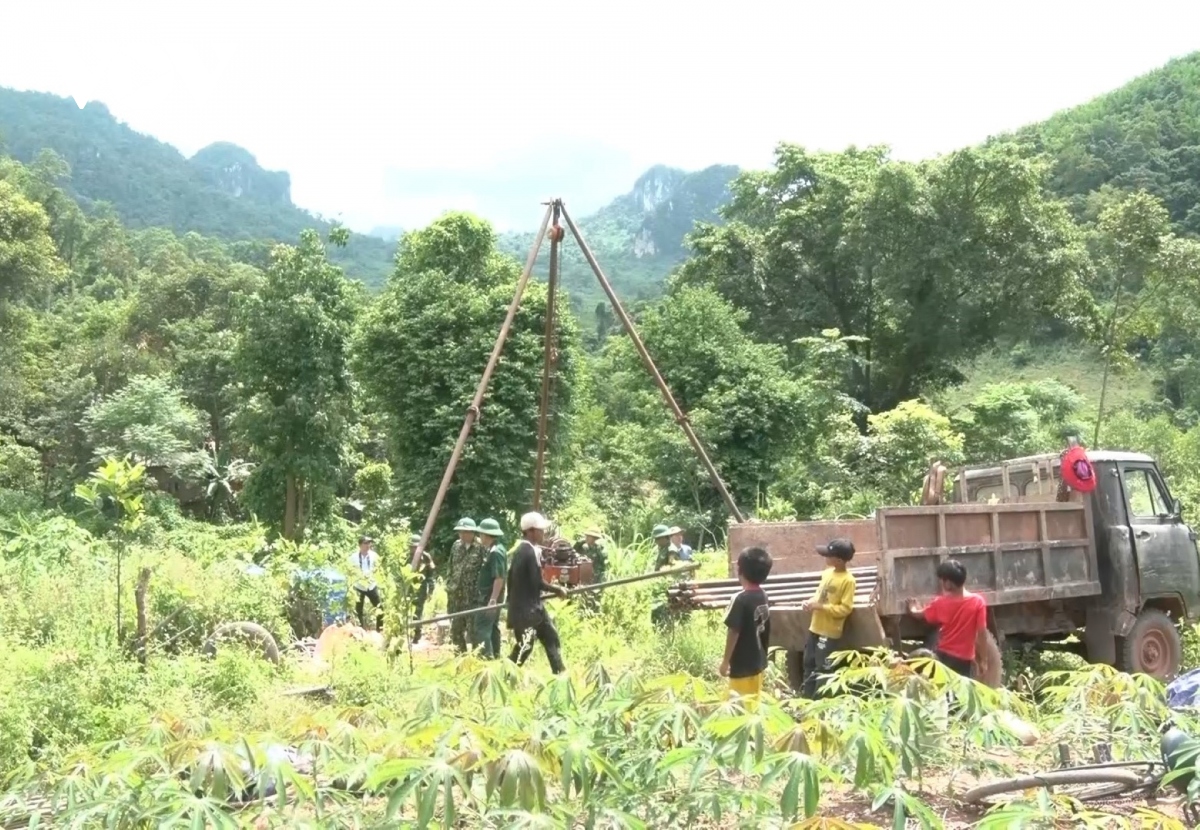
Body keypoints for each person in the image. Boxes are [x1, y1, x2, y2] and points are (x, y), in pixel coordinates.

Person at [507, 511, 569, 673]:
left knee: (549, 638)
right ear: (531, 531)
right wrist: (558, 589)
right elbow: (537, 582)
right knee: (526, 647)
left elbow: (511, 580)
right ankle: (505, 674)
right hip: (529, 610)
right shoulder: (531, 551)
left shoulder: (519, 551)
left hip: (526, 609)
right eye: (541, 530)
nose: (543, 533)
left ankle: (560, 673)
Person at [906, 559, 988, 679]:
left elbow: (919, 614)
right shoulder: (978, 602)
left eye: (943, 580)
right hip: (965, 660)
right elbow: (982, 633)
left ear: (949, 583)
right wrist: (983, 660)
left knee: (944, 692)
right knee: (961, 694)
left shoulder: (940, 603)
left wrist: (912, 608)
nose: (942, 583)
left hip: (944, 657)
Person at [800, 538, 856, 699]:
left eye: (828, 555)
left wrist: (821, 607)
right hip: (815, 627)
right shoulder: (826, 574)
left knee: (823, 667)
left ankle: (820, 702)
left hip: (829, 631)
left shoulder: (848, 580)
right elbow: (819, 596)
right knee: (808, 663)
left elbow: (845, 609)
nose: (825, 558)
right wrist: (810, 602)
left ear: (838, 560)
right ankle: (806, 699)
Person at [720, 546, 773, 705]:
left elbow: (734, 631)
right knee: (753, 703)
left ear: (740, 571)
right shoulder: (763, 595)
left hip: (741, 664)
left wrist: (725, 662)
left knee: (739, 707)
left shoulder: (740, 599)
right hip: (758, 660)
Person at [473, 518, 508, 659]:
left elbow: (499, 577)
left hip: (489, 597)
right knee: (492, 627)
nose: (480, 537)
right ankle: (496, 658)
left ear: (486, 535)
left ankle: (486, 660)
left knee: (482, 628)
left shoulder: (495, 553)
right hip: (492, 596)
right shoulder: (496, 549)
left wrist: (493, 600)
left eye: (481, 534)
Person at [447, 518, 482, 652]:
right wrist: (449, 584)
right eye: (460, 532)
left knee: (474, 632)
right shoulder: (456, 546)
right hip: (455, 595)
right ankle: (459, 660)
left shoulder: (480, 548)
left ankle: (475, 661)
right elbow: (450, 566)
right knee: (456, 630)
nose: (462, 535)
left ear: (473, 532)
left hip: (472, 596)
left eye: (465, 532)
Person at [348, 536, 383, 632]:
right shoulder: (353, 557)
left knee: (380, 608)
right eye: (366, 543)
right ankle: (361, 631)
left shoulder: (374, 556)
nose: (368, 545)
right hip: (359, 586)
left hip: (371, 585)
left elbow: (379, 568)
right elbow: (350, 571)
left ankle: (379, 630)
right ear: (360, 545)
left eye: (369, 543)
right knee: (358, 610)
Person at [410, 533, 437, 644]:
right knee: (408, 612)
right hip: (409, 588)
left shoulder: (426, 557)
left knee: (418, 612)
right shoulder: (405, 557)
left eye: (416, 547)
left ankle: (417, 634)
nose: (414, 549)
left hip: (421, 588)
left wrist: (431, 590)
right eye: (412, 547)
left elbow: (431, 575)